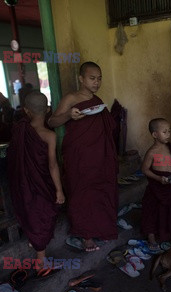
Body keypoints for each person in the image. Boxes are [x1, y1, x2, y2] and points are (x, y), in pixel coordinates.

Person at [48, 61, 118, 252]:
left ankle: (102, 228)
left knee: (100, 190)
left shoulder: (96, 100)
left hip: (99, 154)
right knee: (82, 193)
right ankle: (86, 235)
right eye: (92, 78)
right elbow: (53, 121)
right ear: (81, 78)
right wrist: (69, 115)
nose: (97, 82)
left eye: (99, 78)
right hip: (79, 154)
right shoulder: (72, 98)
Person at [6, 91, 65, 270]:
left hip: (23, 184)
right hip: (42, 183)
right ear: (48, 109)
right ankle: (41, 261)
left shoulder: (19, 131)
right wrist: (59, 190)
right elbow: (53, 166)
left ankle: (34, 241)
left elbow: (13, 158)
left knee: (31, 211)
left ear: (26, 110)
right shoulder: (50, 135)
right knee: (42, 214)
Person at [140, 118, 171, 251]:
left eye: (169, 131)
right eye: (164, 132)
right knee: (151, 209)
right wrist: (158, 178)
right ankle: (151, 236)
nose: (168, 134)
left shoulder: (169, 146)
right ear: (155, 135)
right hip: (158, 184)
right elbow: (144, 170)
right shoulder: (151, 152)